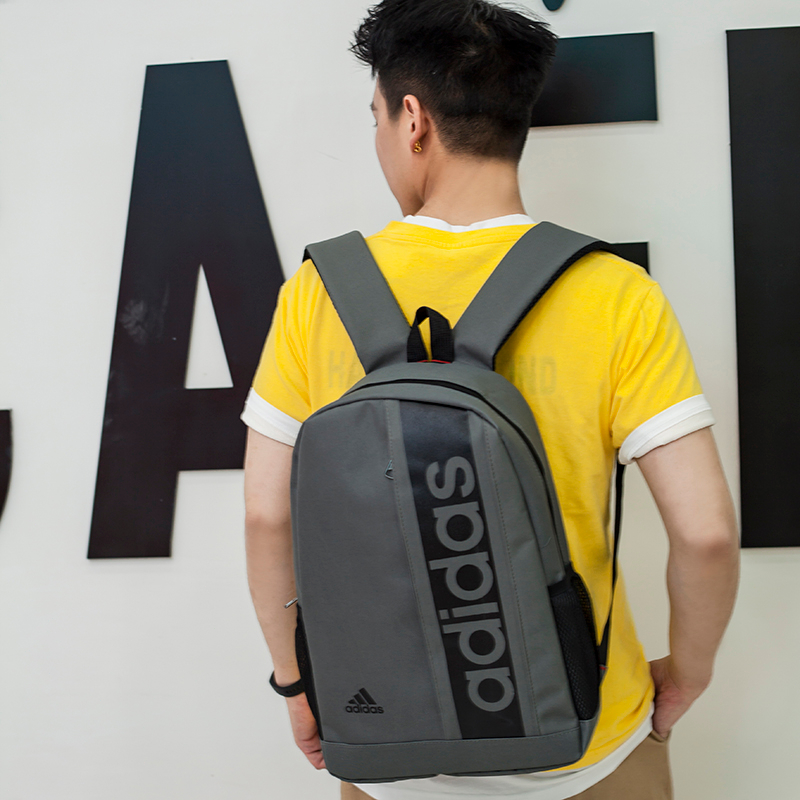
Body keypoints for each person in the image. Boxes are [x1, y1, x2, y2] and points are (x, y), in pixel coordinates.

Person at [241, 1, 740, 798]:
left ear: (413, 121)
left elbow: (268, 517)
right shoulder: (614, 293)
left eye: (375, 116)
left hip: (386, 743)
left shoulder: (315, 293)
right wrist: (688, 674)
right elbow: (707, 534)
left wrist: (298, 685)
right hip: (585, 741)